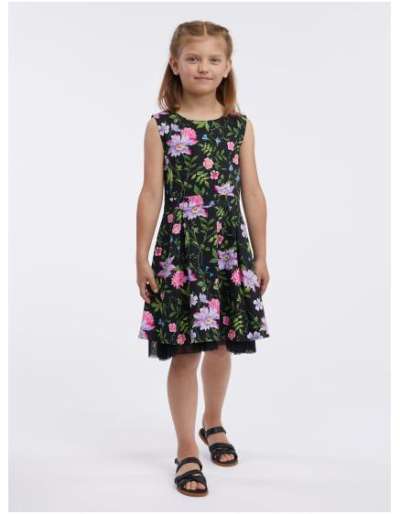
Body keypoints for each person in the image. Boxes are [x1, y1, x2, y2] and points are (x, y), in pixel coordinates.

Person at [136, 20, 271, 497]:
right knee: (184, 352)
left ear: (228, 66)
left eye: (214, 59)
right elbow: (151, 194)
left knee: (220, 346)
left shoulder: (239, 127)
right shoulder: (162, 127)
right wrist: (141, 257)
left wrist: (260, 255)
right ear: (175, 64)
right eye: (193, 58)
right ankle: (185, 448)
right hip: (180, 254)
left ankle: (213, 423)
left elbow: (252, 192)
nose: (203, 67)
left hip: (228, 250)